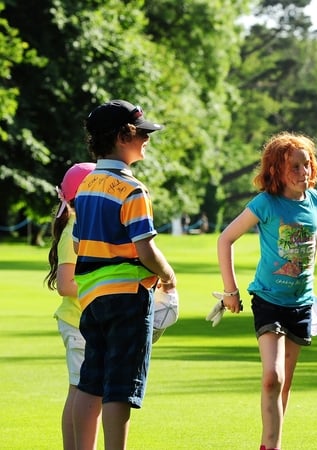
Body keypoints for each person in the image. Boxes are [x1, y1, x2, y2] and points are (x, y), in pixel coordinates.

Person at [71, 99, 177, 450]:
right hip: (128, 294)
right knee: (121, 384)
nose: (147, 140)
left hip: (91, 297)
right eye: (142, 134)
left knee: (91, 380)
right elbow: (145, 249)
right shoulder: (133, 189)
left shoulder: (85, 186)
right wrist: (167, 274)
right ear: (123, 136)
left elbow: (76, 246)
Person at [216, 131, 317, 450]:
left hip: (301, 304)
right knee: (272, 378)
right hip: (268, 300)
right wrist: (230, 290)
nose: (302, 172)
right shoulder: (265, 203)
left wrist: (310, 286)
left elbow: (312, 244)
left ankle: (272, 442)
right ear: (276, 170)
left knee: (285, 382)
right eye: (294, 167)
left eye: (306, 165)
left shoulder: (316, 201)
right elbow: (225, 239)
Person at [44, 162, 97, 450]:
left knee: (84, 391)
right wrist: (107, 289)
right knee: (83, 391)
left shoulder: (86, 226)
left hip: (86, 323)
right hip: (78, 324)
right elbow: (66, 285)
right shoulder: (74, 229)